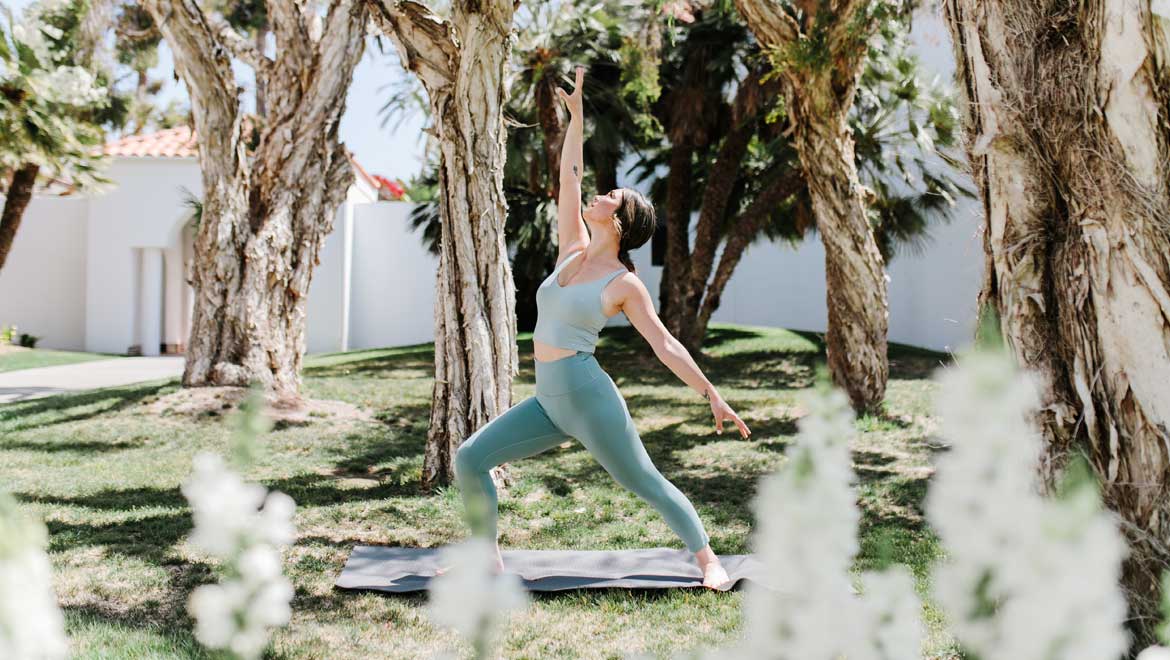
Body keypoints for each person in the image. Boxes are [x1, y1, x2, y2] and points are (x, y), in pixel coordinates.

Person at [450, 65, 751, 590]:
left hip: (589, 399)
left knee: (644, 481)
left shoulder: (622, 284)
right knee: (471, 458)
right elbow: (569, 174)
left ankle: (707, 560)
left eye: (609, 195)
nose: (597, 195)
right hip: (547, 401)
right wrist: (577, 115)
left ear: (619, 221)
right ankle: (488, 559)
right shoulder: (571, 249)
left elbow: (663, 343)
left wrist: (710, 392)